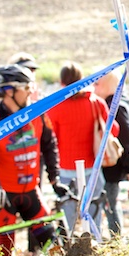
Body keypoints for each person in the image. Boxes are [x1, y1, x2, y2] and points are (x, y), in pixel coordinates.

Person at [0, 65, 61, 256]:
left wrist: (54, 178)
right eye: (26, 87)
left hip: (31, 191)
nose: (31, 91)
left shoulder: (37, 112)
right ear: (9, 91)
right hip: (3, 195)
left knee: (54, 246)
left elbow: (50, 145)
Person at [46, 61, 118, 236]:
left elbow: (50, 140)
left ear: (61, 82)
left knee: (67, 216)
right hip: (92, 167)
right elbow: (113, 129)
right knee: (94, 212)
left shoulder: (55, 107)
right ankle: (95, 242)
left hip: (65, 167)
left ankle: (68, 245)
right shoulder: (96, 103)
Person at [95, 71, 129, 236]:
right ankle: (113, 236)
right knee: (108, 203)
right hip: (110, 165)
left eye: (97, 84)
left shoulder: (117, 107)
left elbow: (127, 140)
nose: (93, 87)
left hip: (113, 166)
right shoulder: (111, 104)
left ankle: (116, 238)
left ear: (107, 85)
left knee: (110, 204)